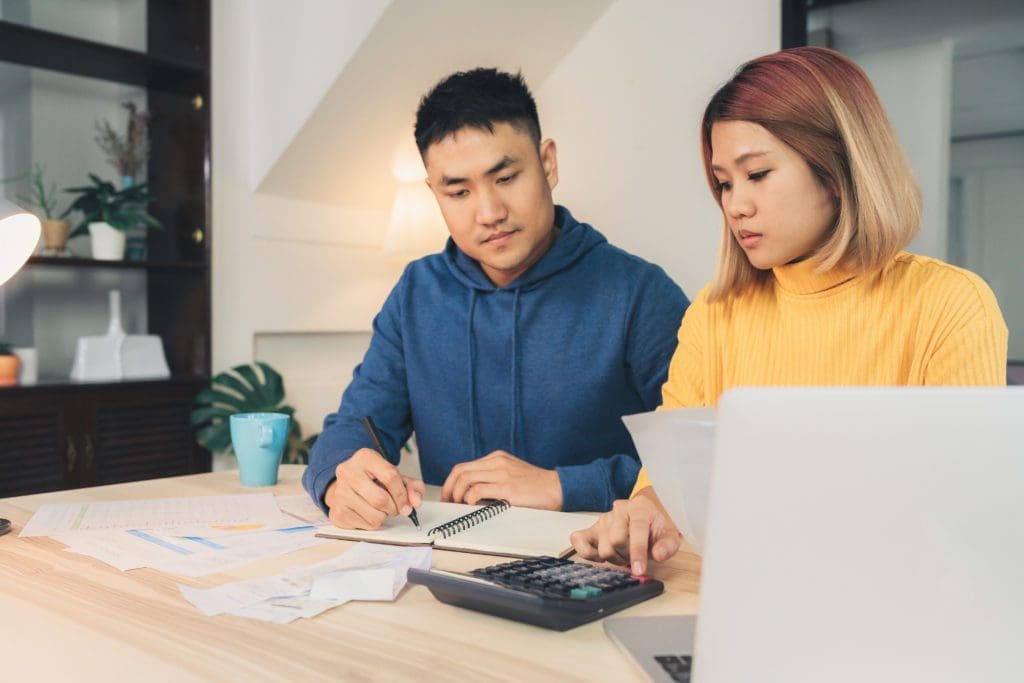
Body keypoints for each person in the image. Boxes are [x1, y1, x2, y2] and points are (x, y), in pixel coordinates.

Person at [570, 47, 1008, 575]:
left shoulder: (951, 306)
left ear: (835, 171)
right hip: (736, 602)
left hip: (889, 607)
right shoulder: (716, 313)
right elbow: (670, 485)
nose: (735, 205)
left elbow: (964, 522)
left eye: (757, 174)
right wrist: (643, 515)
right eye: (725, 182)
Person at [303, 68, 689, 529]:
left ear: (548, 163)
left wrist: (561, 485)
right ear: (434, 193)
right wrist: (341, 478)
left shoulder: (639, 293)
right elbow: (353, 426)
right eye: (459, 191)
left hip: (599, 565)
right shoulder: (416, 293)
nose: (489, 213)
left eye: (505, 178)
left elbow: (700, 459)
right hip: (450, 569)